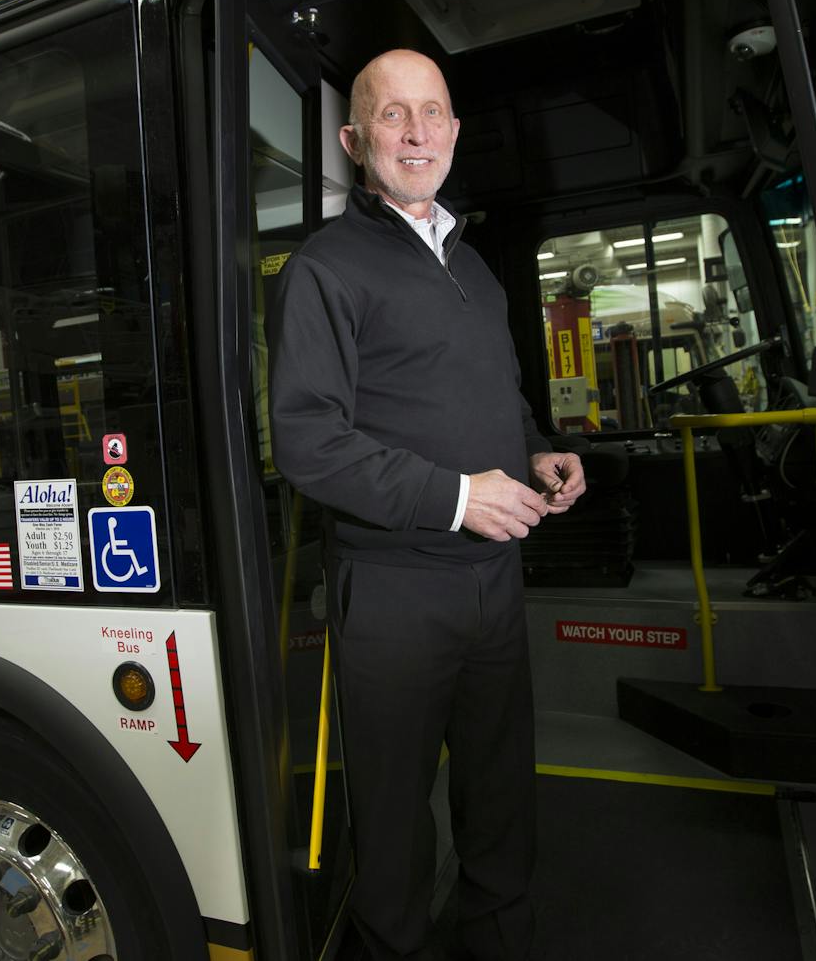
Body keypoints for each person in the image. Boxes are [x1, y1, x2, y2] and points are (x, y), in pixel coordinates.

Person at [268, 49, 586, 961]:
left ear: (453, 129)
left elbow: (501, 400)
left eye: (433, 112)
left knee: (500, 797)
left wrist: (538, 451)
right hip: (395, 590)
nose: (416, 131)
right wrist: (457, 497)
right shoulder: (324, 271)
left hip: (493, 578)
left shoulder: (476, 270)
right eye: (393, 114)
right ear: (354, 139)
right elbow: (308, 443)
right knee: (398, 821)